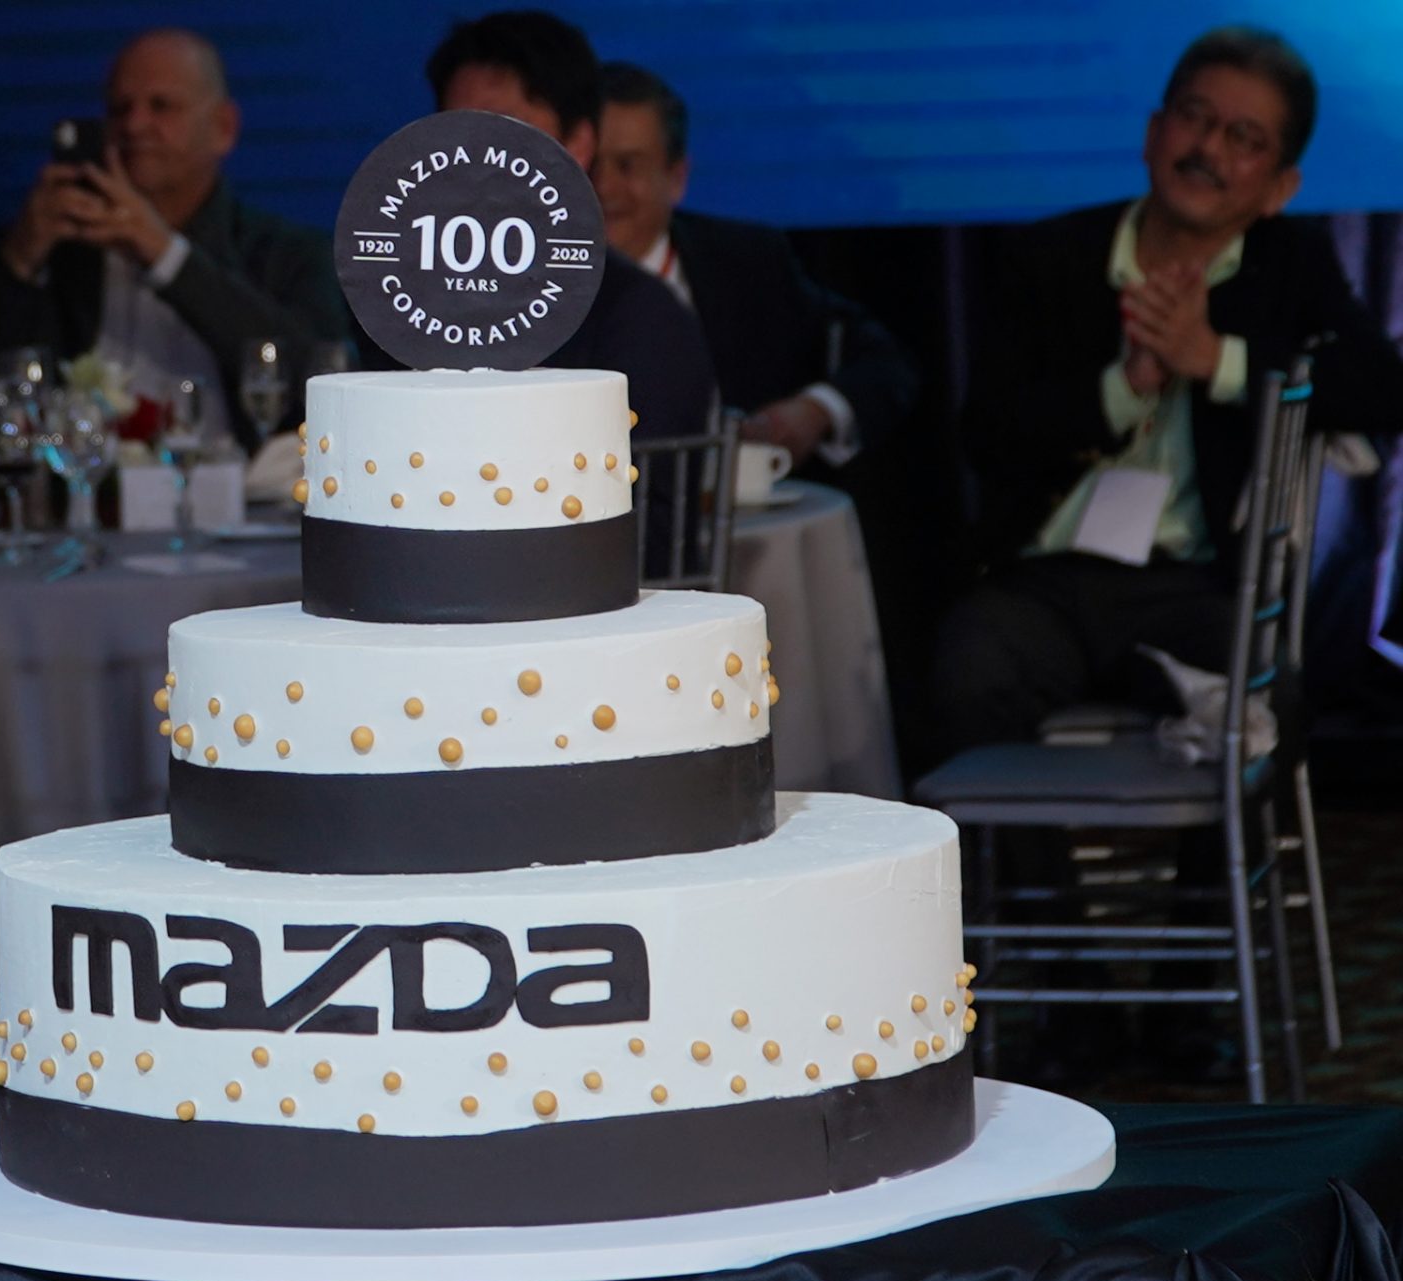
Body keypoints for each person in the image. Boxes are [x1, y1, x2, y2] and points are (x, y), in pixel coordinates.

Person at [938, 27, 1403, 754]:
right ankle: (1029, 841)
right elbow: (988, 433)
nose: (1208, 148)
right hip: (1045, 578)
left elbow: (1384, 389)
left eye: (1244, 138)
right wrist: (1125, 386)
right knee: (969, 676)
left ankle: (1211, 843)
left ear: (1280, 188)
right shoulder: (1051, 255)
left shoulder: (1289, 264)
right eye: (1194, 117)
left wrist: (1216, 360)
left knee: (1269, 701)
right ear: (1154, 133)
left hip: (1196, 586)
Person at [0, 28, 348, 450]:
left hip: (244, 485)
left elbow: (324, 384)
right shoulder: (59, 254)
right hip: (82, 484)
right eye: (120, 109)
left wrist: (164, 255)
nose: (134, 125)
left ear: (223, 128)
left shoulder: (287, 252)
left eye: (161, 106)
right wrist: (19, 260)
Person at [593, 62, 918, 468]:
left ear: (676, 178)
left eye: (627, 165)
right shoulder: (538, 287)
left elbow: (881, 362)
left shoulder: (747, 261)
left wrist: (815, 410)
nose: (603, 187)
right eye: (588, 166)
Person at [424, 11, 717, 439]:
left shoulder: (641, 316)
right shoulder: (396, 296)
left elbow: (646, 476)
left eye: (505, 128)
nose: (476, 155)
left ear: (577, 143)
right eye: (457, 130)